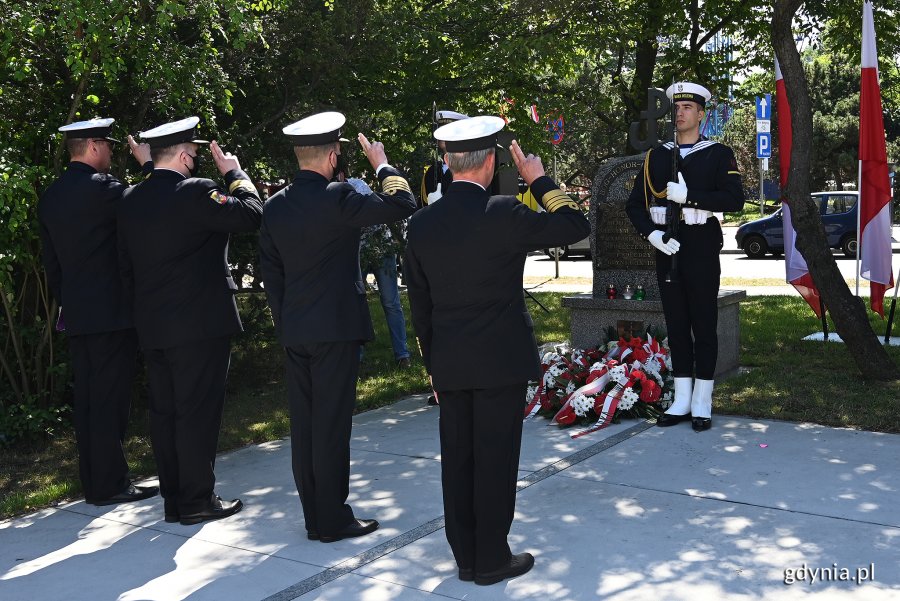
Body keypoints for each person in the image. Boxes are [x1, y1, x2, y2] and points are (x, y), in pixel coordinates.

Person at [404, 116, 590, 585]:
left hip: (449, 360)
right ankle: (490, 559)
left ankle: (466, 555)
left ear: (448, 162)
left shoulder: (422, 223)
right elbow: (574, 223)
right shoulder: (505, 211)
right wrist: (538, 178)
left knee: (459, 461)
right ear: (490, 163)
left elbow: (420, 306)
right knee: (495, 459)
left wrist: (433, 364)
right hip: (499, 360)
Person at [257, 111, 416, 543]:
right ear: (332, 155)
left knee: (306, 426)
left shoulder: (275, 206)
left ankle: (315, 514)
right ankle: (331, 519)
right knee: (330, 426)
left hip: (297, 329)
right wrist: (381, 163)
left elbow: (271, 275)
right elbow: (402, 205)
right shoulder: (339, 197)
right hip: (336, 329)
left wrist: (288, 319)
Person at [117, 116, 262, 524]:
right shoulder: (198, 191)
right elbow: (252, 213)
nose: (197, 159)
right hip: (200, 327)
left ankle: (175, 500)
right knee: (197, 413)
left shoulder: (131, 198)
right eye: (194, 154)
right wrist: (234, 173)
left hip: (154, 326)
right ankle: (198, 501)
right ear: (183, 155)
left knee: (165, 415)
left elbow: (125, 267)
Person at [38, 118, 158, 507]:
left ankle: (95, 482)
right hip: (112, 313)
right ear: (92, 147)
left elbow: (52, 264)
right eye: (106, 144)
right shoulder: (107, 191)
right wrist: (147, 165)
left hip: (77, 312)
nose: (110, 151)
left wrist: (70, 300)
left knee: (89, 399)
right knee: (109, 400)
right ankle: (109, 485)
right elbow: (156, 202)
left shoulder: (52, 195)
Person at [624, 82, 745, 432]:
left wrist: (689, 196)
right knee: (676, 324)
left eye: (687, 108)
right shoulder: (658, 155)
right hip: (668, 246)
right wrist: (653, 234)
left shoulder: (718, 154)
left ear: (701, 114)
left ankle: (703, 399)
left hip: (701, 246)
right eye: (677, 109)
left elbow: (734, 199)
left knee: (703, 324)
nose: (679, 113)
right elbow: (635, 205)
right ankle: (681, 398)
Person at [358, 205, 412, 369]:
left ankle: (402, 355)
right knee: (357, 304)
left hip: (382, 248)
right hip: (360, 250)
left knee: (391, 303)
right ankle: (357, 357)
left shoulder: (360, 186)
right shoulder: (345, 186)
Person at [419, 110, 468, 206]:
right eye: (440, 129)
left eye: (448, 129)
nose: (442, 134)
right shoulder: (432, 171)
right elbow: (422, 206)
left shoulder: (470, 167)